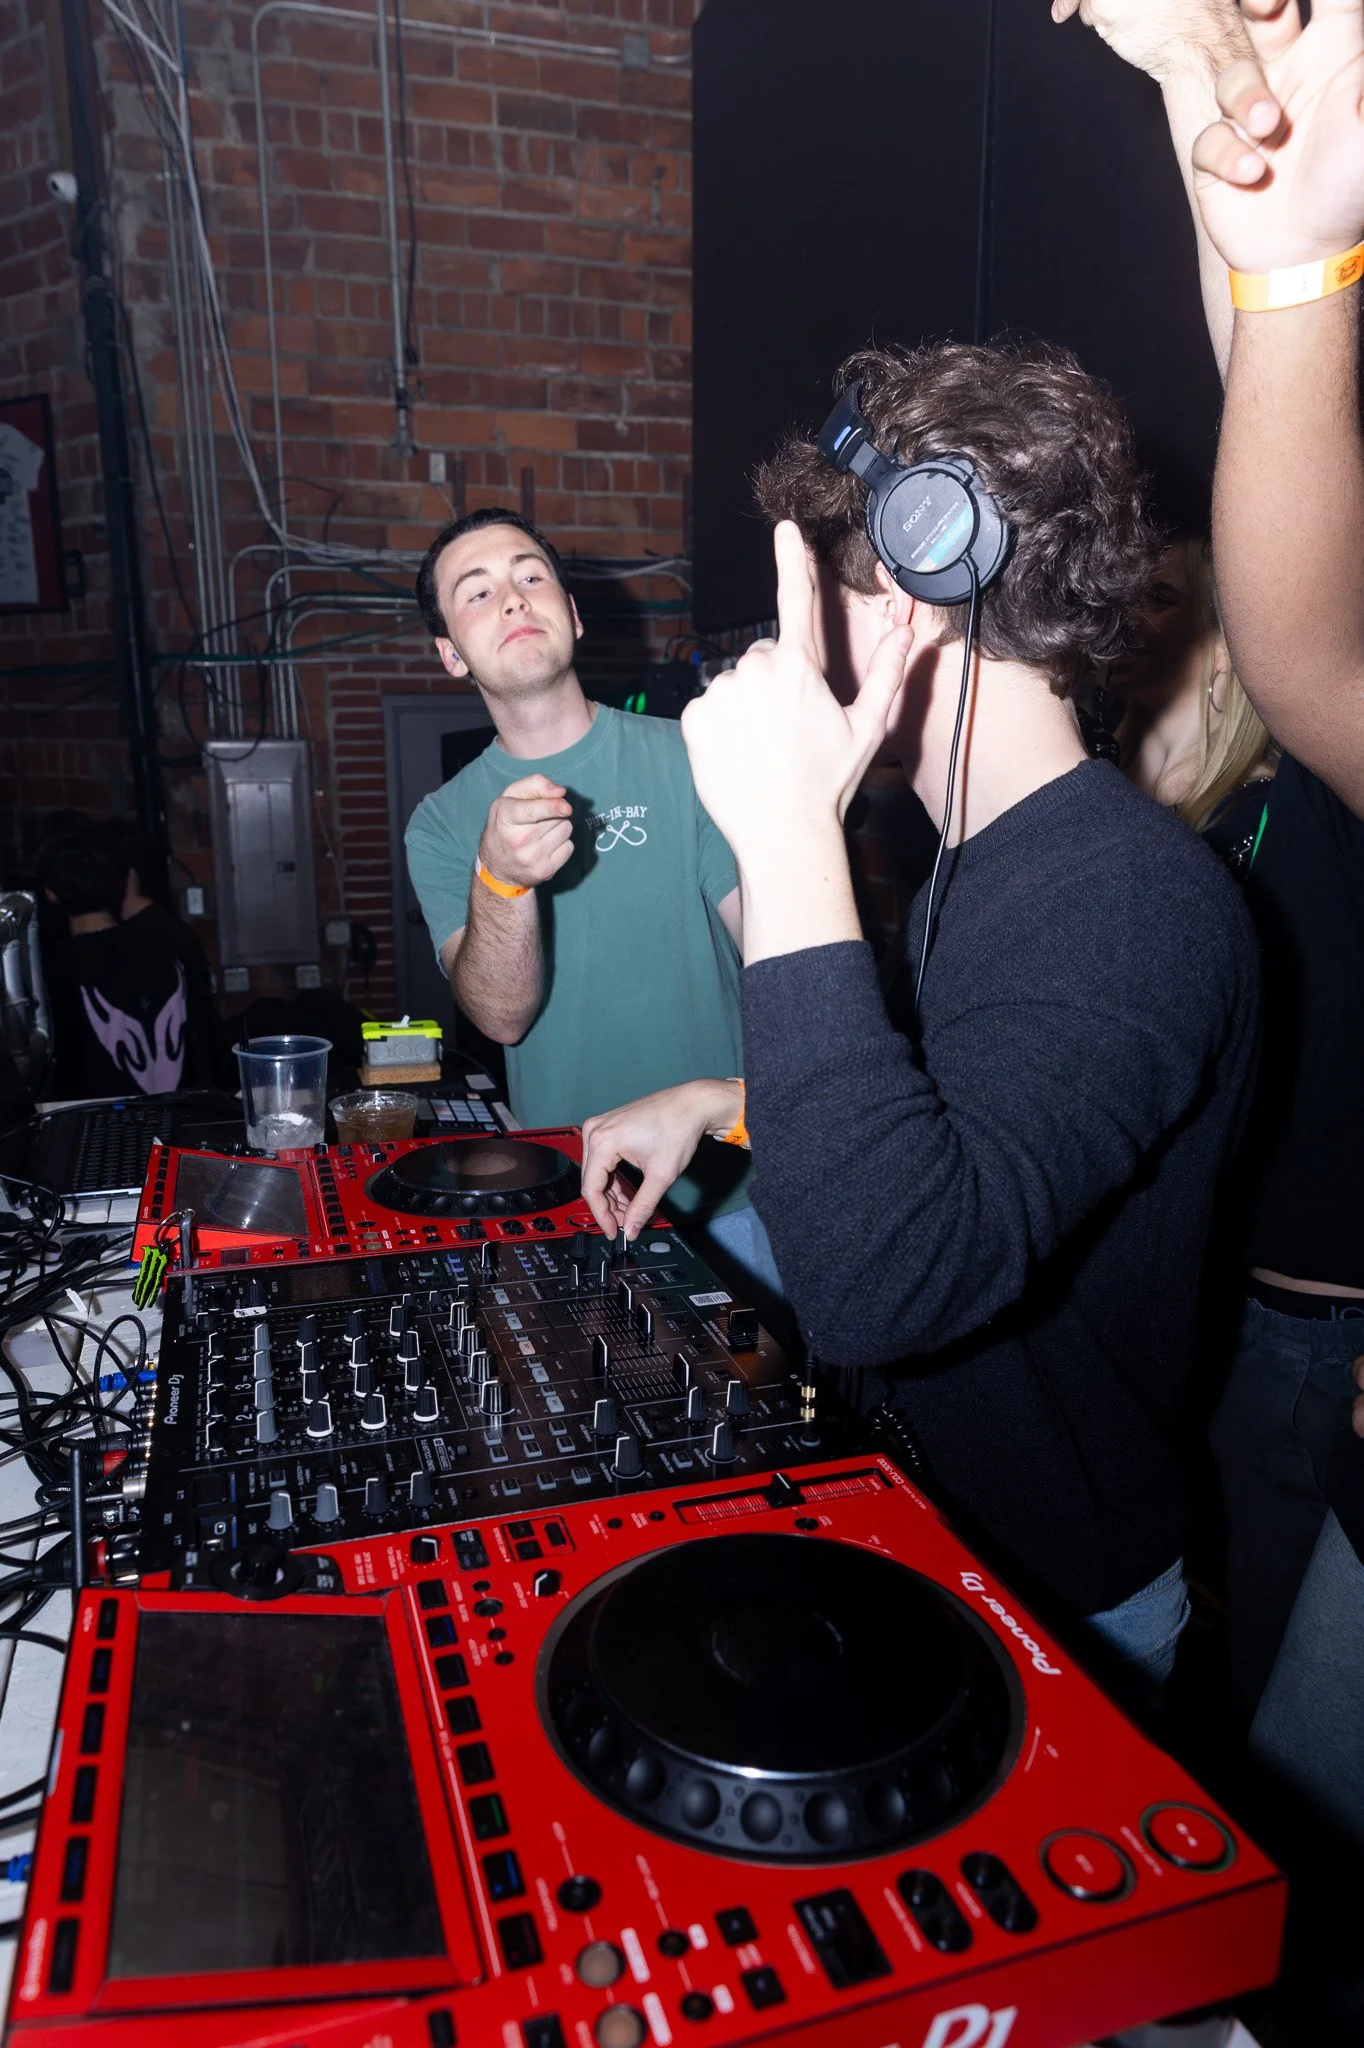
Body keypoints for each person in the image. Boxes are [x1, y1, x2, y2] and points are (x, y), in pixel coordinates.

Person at [668, 338, 1259, 1703]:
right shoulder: (977, 861)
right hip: (949, 1545)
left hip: (1062, 1606)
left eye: (825, 582)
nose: (795, 628)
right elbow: (948, 1121)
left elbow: (889, 1279)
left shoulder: (1131, 901)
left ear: (914, 595)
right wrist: (729, 1095)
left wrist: (790, 834)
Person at [1057, 0, 1364, 1748]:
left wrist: (1275, 243)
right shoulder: (1167, 830)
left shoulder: (1312, 792)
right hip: (1237, 1312)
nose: (1154, 649)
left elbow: (1278, 417)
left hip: (1332, 1332)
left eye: (1194, 621)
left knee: (1290, 1749)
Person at [402, 507, 780, 1306]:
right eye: (476, 593)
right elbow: (500, 1018)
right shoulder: (440, 822)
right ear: (449, 655)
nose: (510, 598)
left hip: (742, 1195)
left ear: (571, 615)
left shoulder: (689, 755)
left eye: (530, 575)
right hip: (575, 1203)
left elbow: (780, 959)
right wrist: (500, 880)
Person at [1107, 535, 1276, 863]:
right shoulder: (1098, 776)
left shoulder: (1261, 814)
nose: (1123, 616)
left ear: (1226, 650)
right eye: (1127, 597)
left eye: (1158, 599)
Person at [38, 834, 192, 1100]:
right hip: (179, 1116)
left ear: (51, 894)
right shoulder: (165, 951)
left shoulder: (56, 967)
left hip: (94, 1120)